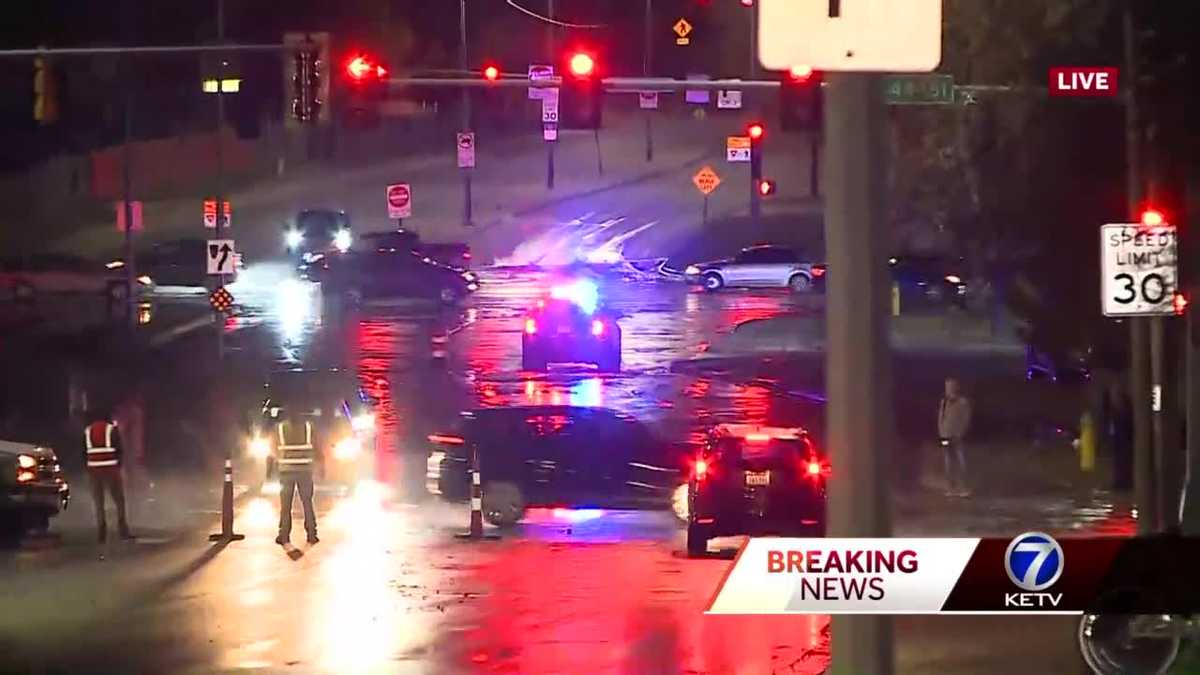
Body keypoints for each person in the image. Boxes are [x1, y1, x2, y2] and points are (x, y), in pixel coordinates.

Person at [83, 408, 133, 542]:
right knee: (119, 500)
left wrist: (88, 467)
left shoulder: (88, 431)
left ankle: (101, 532)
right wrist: (119, 466)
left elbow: (83, 452)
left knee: (99, 502)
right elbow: (119, 450)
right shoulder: (112, 430)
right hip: (111, 470)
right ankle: (123, 530)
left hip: (93, 471)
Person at [273, 410, 320, 545]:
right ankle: (312, 534)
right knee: (307, 503)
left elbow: (274, 448)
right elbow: (317, 447)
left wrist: (272, 468)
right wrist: (320, 465)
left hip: (286, 472)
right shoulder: (309, 427)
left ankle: (284, 535)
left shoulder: (280, 428)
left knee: (285, 506)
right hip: (304, 471)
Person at [937, 377, 972, 496]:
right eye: (947, 386)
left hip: (957, 436)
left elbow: (966, 419)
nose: (948, 389)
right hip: (946, 436)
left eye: (951, 386)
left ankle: (962, 488)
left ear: (956, 387)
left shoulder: (963, 402)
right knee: (948, 461)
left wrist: (961, 432)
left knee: (961, 461)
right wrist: (941, 433)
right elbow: (941, 418)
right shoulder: (944, 402)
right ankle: (950, 488)